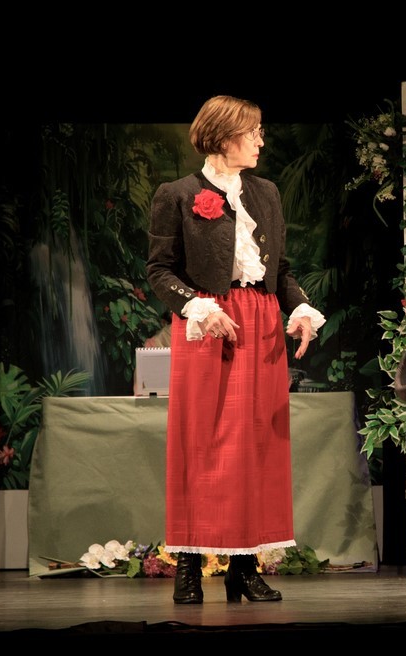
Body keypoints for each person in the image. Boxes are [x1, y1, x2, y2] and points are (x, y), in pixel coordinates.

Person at [146, 95, 324, 605]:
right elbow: (159, 270)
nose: (261, 141)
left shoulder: (265, 193)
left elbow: (279, 269)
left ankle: (244, 569)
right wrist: (198, 308)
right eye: (253, 132)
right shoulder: (177, 194)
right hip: (208, 324)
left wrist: (299, 308)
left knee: (257, 446)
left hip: (261, 323)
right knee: (200, 442)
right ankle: (188, 564)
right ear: (224, 137)